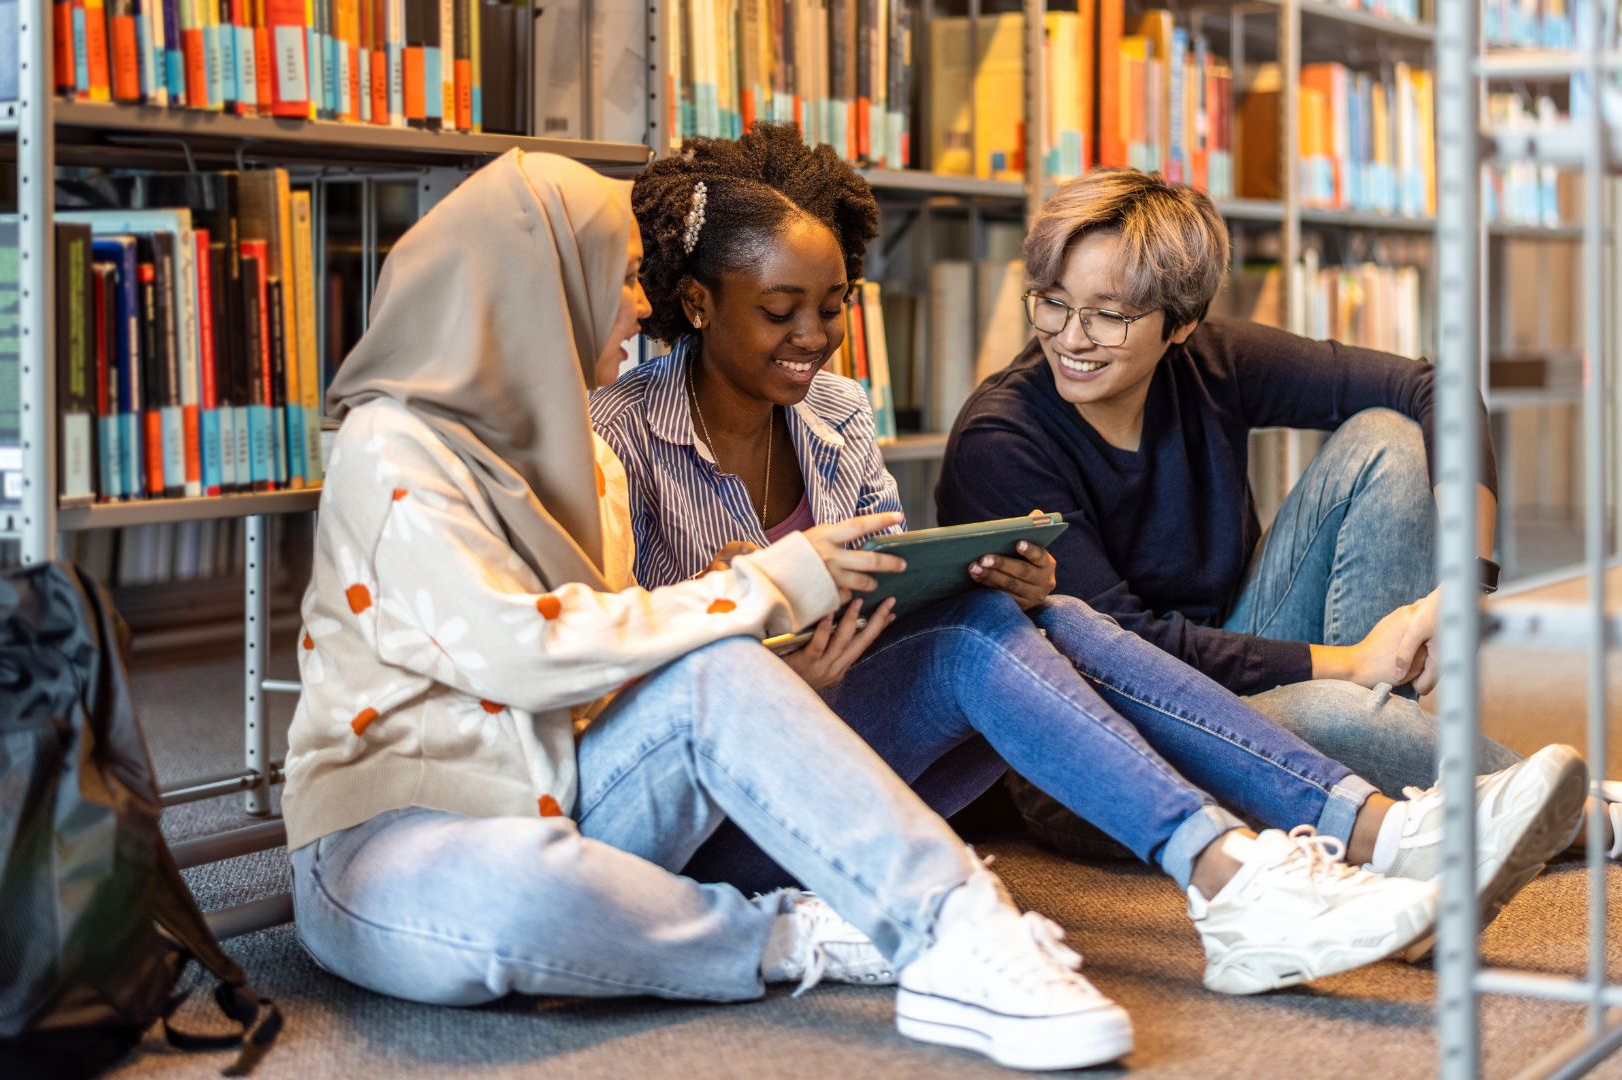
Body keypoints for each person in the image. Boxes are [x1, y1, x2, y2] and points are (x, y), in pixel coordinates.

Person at [588, 125, 1583, 991]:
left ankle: (1335, 846)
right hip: (726, 786)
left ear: (1177, 326)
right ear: (701, 302)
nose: (815, 338)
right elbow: (604, 687)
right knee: (1297, 701)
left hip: (870, 734)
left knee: (1037, 611)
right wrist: (750, 649)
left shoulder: (839, 420)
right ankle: (1443, 828)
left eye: (833, 304)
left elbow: (896, 586)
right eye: (780, 311)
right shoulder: (621, 442)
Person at [284, 147, 1154, 1072]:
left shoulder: (589, 453)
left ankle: (957, 929)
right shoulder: (390, 445)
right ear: (541, 285)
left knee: (720, 669)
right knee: (513, 902)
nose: (641, 305)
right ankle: (800, 933)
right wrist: (767, 586)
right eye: (620, 278)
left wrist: (761, 654)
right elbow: (521, 650)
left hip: (570, 792)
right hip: (404, 825)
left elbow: (620, 669)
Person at [934, 167, 1622, 865]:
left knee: (1389, 441)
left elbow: (1437, 391)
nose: (1071, 338)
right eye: (1054, 303)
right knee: (1336, 718)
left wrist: (1467, 582)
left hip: (1239, 661)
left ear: (1180, 324)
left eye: (1109, 316)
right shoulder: (1002, 440)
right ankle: (1609, 819)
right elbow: (1125, 649)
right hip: (1104, 747)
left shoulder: (1211, 365)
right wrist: (1344, 663)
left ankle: (1382, 782)